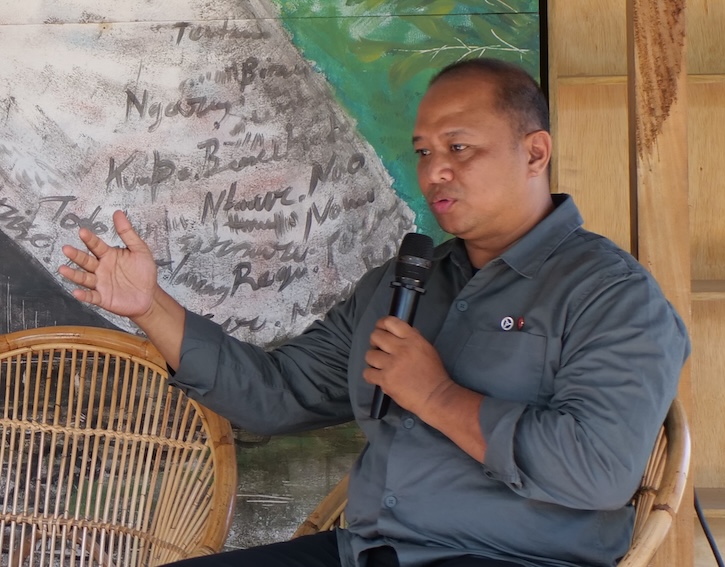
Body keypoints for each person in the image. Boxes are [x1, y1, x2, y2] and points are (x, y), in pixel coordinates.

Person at [59, 58, 690, 567]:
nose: (435, 171)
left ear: (535, 152)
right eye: (423, 152)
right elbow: (279, 394)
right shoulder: (404, 284)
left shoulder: (613, 295)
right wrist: (151, 306)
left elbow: (599, 470)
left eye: (459, 147)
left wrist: (436, 395)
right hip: (365, 552)